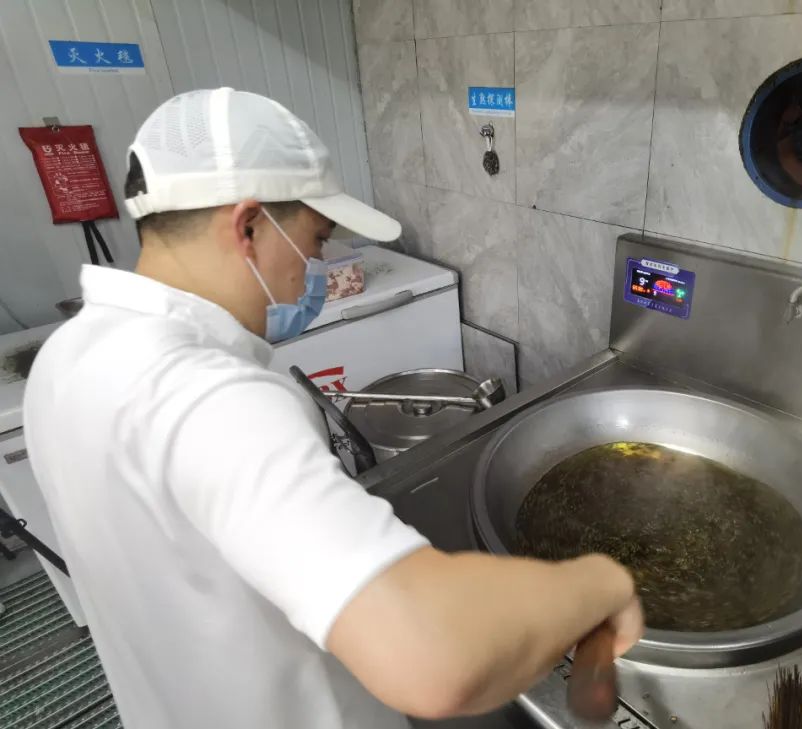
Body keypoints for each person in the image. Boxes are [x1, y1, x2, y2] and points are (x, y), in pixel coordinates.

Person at [23, 88, 642, 729]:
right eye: (316, 240)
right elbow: (434, 657)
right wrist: (600, 584)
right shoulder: (212, 397)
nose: (318, 266)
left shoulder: (66, 356)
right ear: (247, 226)